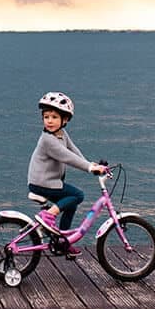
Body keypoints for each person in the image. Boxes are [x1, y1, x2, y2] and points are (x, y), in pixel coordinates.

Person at [27, 91, 107, 257]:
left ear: (65, 120)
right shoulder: (48, 140)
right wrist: (89, 168)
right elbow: (67, 157)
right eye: (46, 116)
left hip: (50, 181)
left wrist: (90, 164)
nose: (49, 121)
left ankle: (63, 241)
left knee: (71, 204)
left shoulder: (61, 134)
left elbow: (73, 150)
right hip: (42, 183)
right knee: (77, 195)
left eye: (54, 117)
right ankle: (49, 215)